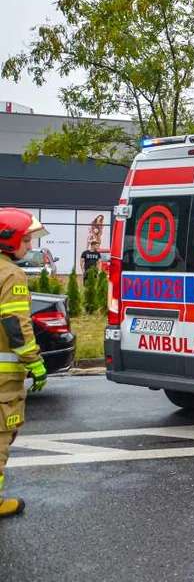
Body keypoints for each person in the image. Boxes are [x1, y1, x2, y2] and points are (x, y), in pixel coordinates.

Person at [0, 208, 50, 518]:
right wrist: (35, 362)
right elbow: (16, 325)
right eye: (27, 239)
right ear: (9, 238)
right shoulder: (11, 274)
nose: (30, 246)